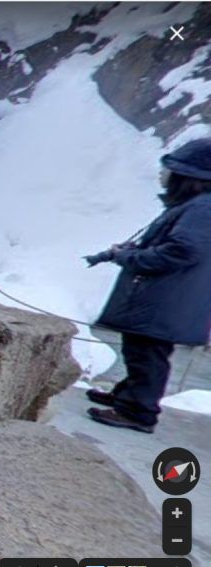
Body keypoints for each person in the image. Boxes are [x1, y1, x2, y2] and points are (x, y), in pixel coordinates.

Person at [83, 138, 211, 433]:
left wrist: (132, 257)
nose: (164, 178)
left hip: (168, 298)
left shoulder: (202, 208)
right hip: (170, 297)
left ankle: (138, 411)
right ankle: (127, 396)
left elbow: (183, 250)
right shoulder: (197, 206)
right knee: (141, 349)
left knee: (148, 353)